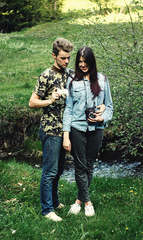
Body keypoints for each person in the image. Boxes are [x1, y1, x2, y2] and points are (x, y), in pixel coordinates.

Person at [63, 47, 113, 217]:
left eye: (86, 62)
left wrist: (102, 118)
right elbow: (68, 110)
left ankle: (78, 201)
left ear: (92, 62)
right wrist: (66, 135)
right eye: (80, 62)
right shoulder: (72, 81)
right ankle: (88, 203)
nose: (83, 65)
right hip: (77, 128)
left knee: (89, 166)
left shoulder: (103, 80)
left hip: (97, 129)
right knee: (80, 166)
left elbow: (110, 108)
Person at [29, 38, 74, 221]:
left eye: (69, 57)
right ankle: (47, 210)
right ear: (54, 55)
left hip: (66, 130)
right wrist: (50, 100)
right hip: (50, 129)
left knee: (60, 169)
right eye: (63, 58)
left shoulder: (70, 73)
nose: (66, 61)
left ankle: (55, 202)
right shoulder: (46, 75)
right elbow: (32, 102)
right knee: (50, 171)